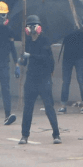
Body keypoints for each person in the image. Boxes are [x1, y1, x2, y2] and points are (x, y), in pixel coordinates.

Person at [18, 15, 61, 144]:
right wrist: (22, 60)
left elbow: (45, 58)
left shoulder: (45, 40)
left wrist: (30, 55)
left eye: (33, 26)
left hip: (44, 78)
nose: (31, 29)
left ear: (39, 27)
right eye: (29, 26)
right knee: (28, 108)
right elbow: (25, 62)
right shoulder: (27, 42)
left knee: (49, 107)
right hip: (31, 78)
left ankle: (56, 134)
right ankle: (24, 135)